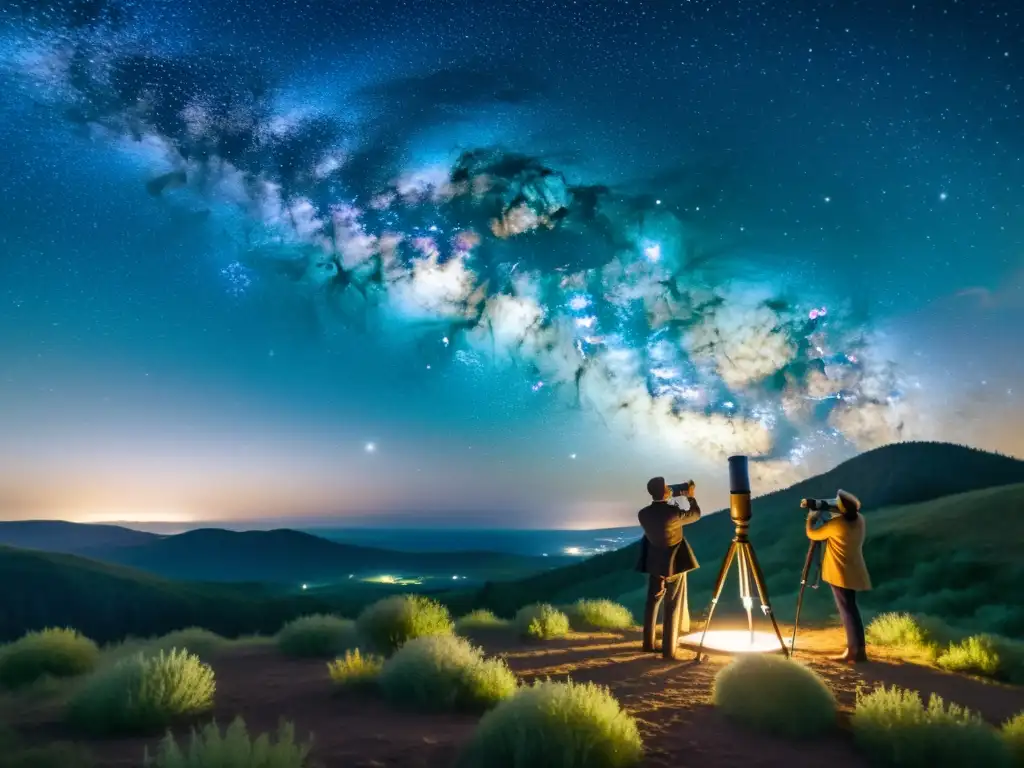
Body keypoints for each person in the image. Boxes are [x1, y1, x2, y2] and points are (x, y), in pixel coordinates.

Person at [636, 477, 701, 660]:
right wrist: (690, 496)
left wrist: (667, 497)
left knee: (651, 604)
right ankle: (668, 650)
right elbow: (695, 514)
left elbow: (659, 517)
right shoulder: (673, 513)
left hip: (654, 563)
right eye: (666, 487)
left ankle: (648, 644)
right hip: (674, 565)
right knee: (671, 606)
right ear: (664, 492)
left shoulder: (643, 514)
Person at [804, 489, 872, 664]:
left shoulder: (837, 525)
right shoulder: (859, 520)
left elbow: (813, 533)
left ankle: (853, 653)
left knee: (847, 611)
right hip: (854, 569)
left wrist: (811, 517)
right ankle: (859, 650)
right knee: (851, 609)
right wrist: (825, 505)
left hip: (839, 572)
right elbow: (843, 511)